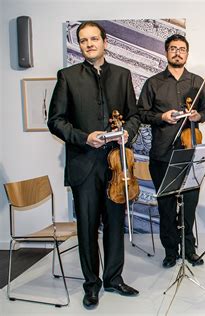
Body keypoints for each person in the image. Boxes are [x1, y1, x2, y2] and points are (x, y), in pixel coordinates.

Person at [48, 21, 140, 308]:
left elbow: (133, 116)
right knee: (87, 228)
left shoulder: (123, 75)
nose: (89, 44)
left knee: (115, 225)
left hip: (116, 165)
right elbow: (55, 121)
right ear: (80, 45)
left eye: (94, 39)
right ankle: (91, 284)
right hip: (83, 165)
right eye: (83, 40)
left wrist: (128, 131)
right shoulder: (67, 77)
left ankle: (114, 278)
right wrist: (84, 137)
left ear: (105, 41)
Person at [137, 34, 205, 269]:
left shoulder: (197, 82)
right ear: (166, 52)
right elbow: (141, 114)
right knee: (166, 206)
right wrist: (162, 117)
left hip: (190, 153)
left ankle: (189, 249)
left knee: (189, 205)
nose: (177, 52)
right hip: (162, 153)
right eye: (173, 49)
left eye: (182, 49)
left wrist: (197, 115)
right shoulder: (153, 83)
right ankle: (171, 251)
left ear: (187, 54)